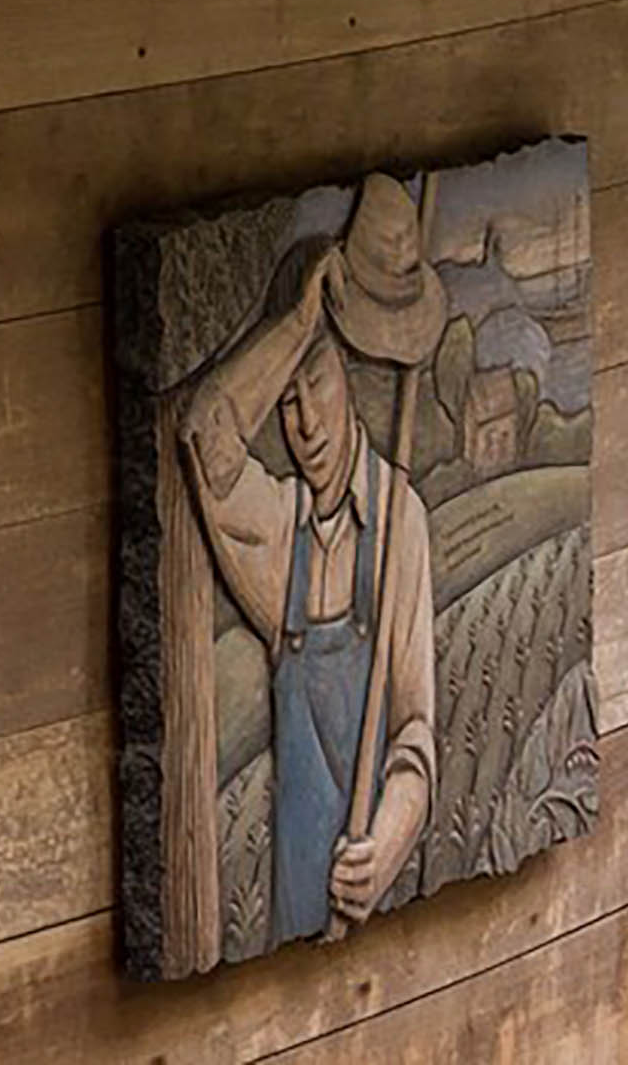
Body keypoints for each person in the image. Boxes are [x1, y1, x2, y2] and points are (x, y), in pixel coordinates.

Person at [179, 247, 440, 945]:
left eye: (316, 384)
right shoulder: (276, 530)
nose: (305, 425)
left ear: (348, 379)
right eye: (286, 402)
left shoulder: (398, 520)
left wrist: (385, 846)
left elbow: (415, 728)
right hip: (297, 907)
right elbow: (208, 433)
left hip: (371, 893)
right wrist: (297, 327)